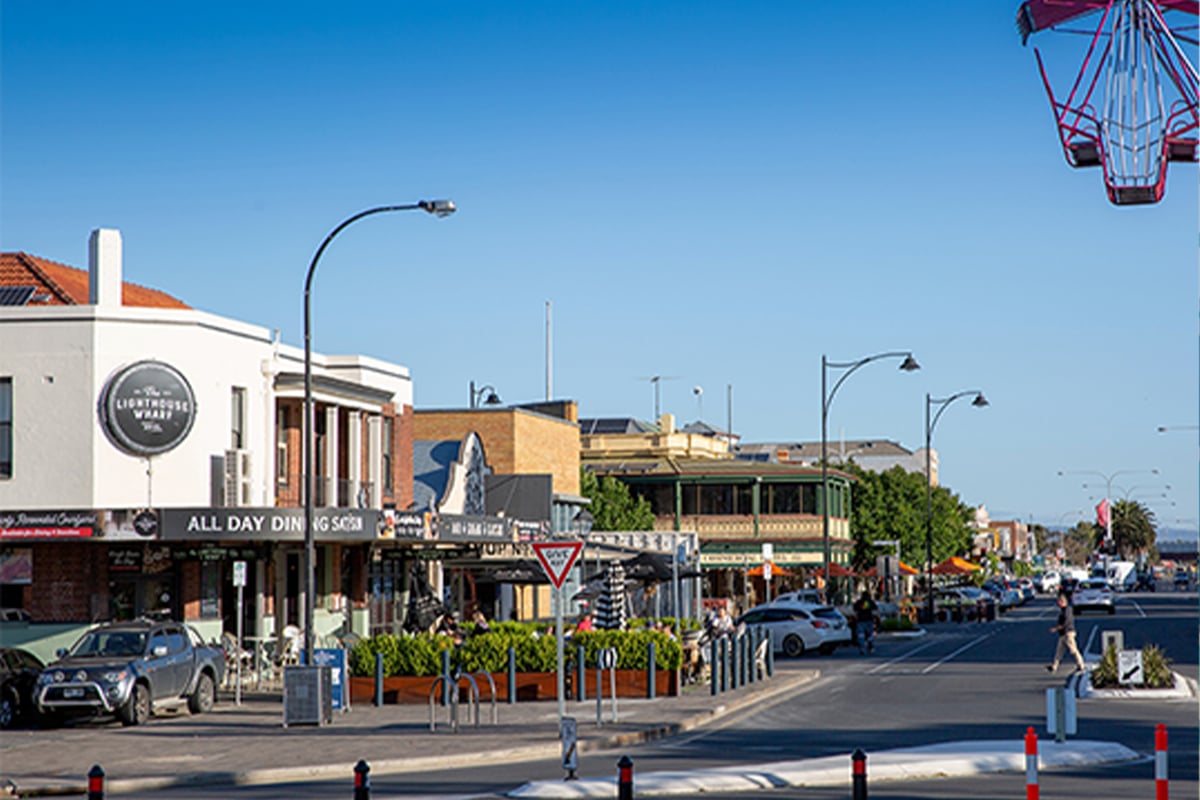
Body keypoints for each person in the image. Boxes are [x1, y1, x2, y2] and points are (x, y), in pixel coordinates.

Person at [1046, 591, 1086, 673]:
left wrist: (1056, 628)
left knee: (1073, 650)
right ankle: (1054, 667)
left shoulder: (1067, 610)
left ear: (1063, 602)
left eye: (1059, 601)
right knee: (1059, 652)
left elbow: (1066, 622)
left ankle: (1081, 665)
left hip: (1068, 633)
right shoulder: (1063, 610)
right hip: (1063, 634)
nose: (1058, 603)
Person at [853, 589, 880, 654]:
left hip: (860, 620)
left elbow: (855, 611)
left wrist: (856, 617)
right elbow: (876, 611)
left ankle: (862, 648)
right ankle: (871, 647)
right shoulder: (870, 602)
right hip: (869, 620)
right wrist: (878, 619)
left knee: (860, 635)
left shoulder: (859, 602)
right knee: (870, 634)